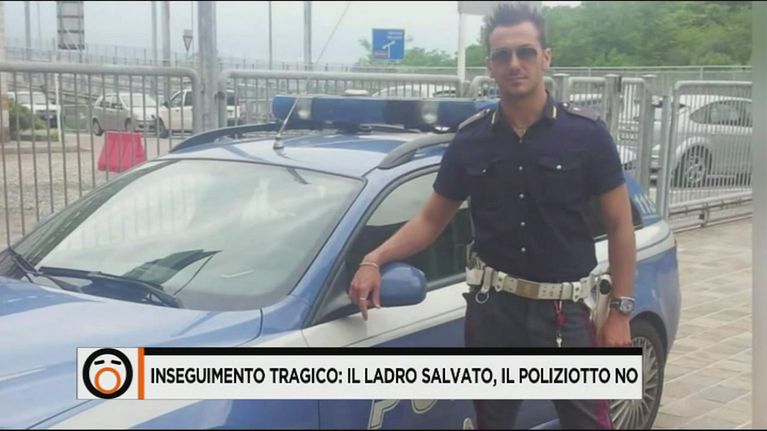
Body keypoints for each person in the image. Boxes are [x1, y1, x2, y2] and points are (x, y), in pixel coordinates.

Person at [347, 3, 636, 429]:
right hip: (494, 312)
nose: (514, 63)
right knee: (492, 422)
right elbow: (430, 220)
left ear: (546, 57)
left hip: (567, 313)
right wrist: (374, 259)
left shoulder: (586, 134)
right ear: (490, 65)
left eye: (526, 52)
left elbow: (620, 225)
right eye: (503, 55)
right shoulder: (470, 139)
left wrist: (620, 313)